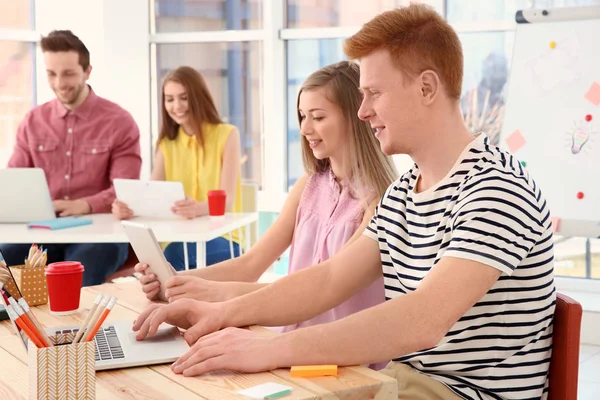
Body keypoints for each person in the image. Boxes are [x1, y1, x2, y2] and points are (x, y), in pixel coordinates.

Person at [133, 5, 555, 399]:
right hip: (400, 380)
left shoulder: (497, 188)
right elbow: (330, 279)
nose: (363, 111)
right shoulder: (407, 189)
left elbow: (423, 319)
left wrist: (269, 350)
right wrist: (220, 313)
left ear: (427, 87)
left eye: (374, 93)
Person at [135, 62, 398, 350]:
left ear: (355, 117)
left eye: (318, 117)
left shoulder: (380, 200)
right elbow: (252, 263)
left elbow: (323, 289)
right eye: (302, 116)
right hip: (289, 339)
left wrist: (215, 293)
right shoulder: (309, 186)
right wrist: (174, 280)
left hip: (341, 349)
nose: (305, 128)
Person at [0, 30, 141, 286]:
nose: (59, 83)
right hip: (41, 231)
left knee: (73, 280)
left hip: (100, 234)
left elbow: (126, 188)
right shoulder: (33, 122)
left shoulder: (120, 122)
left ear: (87, 71)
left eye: (68, 74)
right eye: (51, 74)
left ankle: (72, 328)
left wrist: (85, 204)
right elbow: (14, 181)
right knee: (3, 265)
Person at [112, 66, 243, 269]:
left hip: (224, 237)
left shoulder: (227, 135)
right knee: (162, 257)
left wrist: (196, 209)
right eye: (169, 99)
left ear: (198, 98)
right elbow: (150, 197)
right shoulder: (167, 144)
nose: (177, 106)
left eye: (184, 97)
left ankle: (173, 299)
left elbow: (227, 201)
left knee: (171, 257)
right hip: (178, 237)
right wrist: (127, 208)